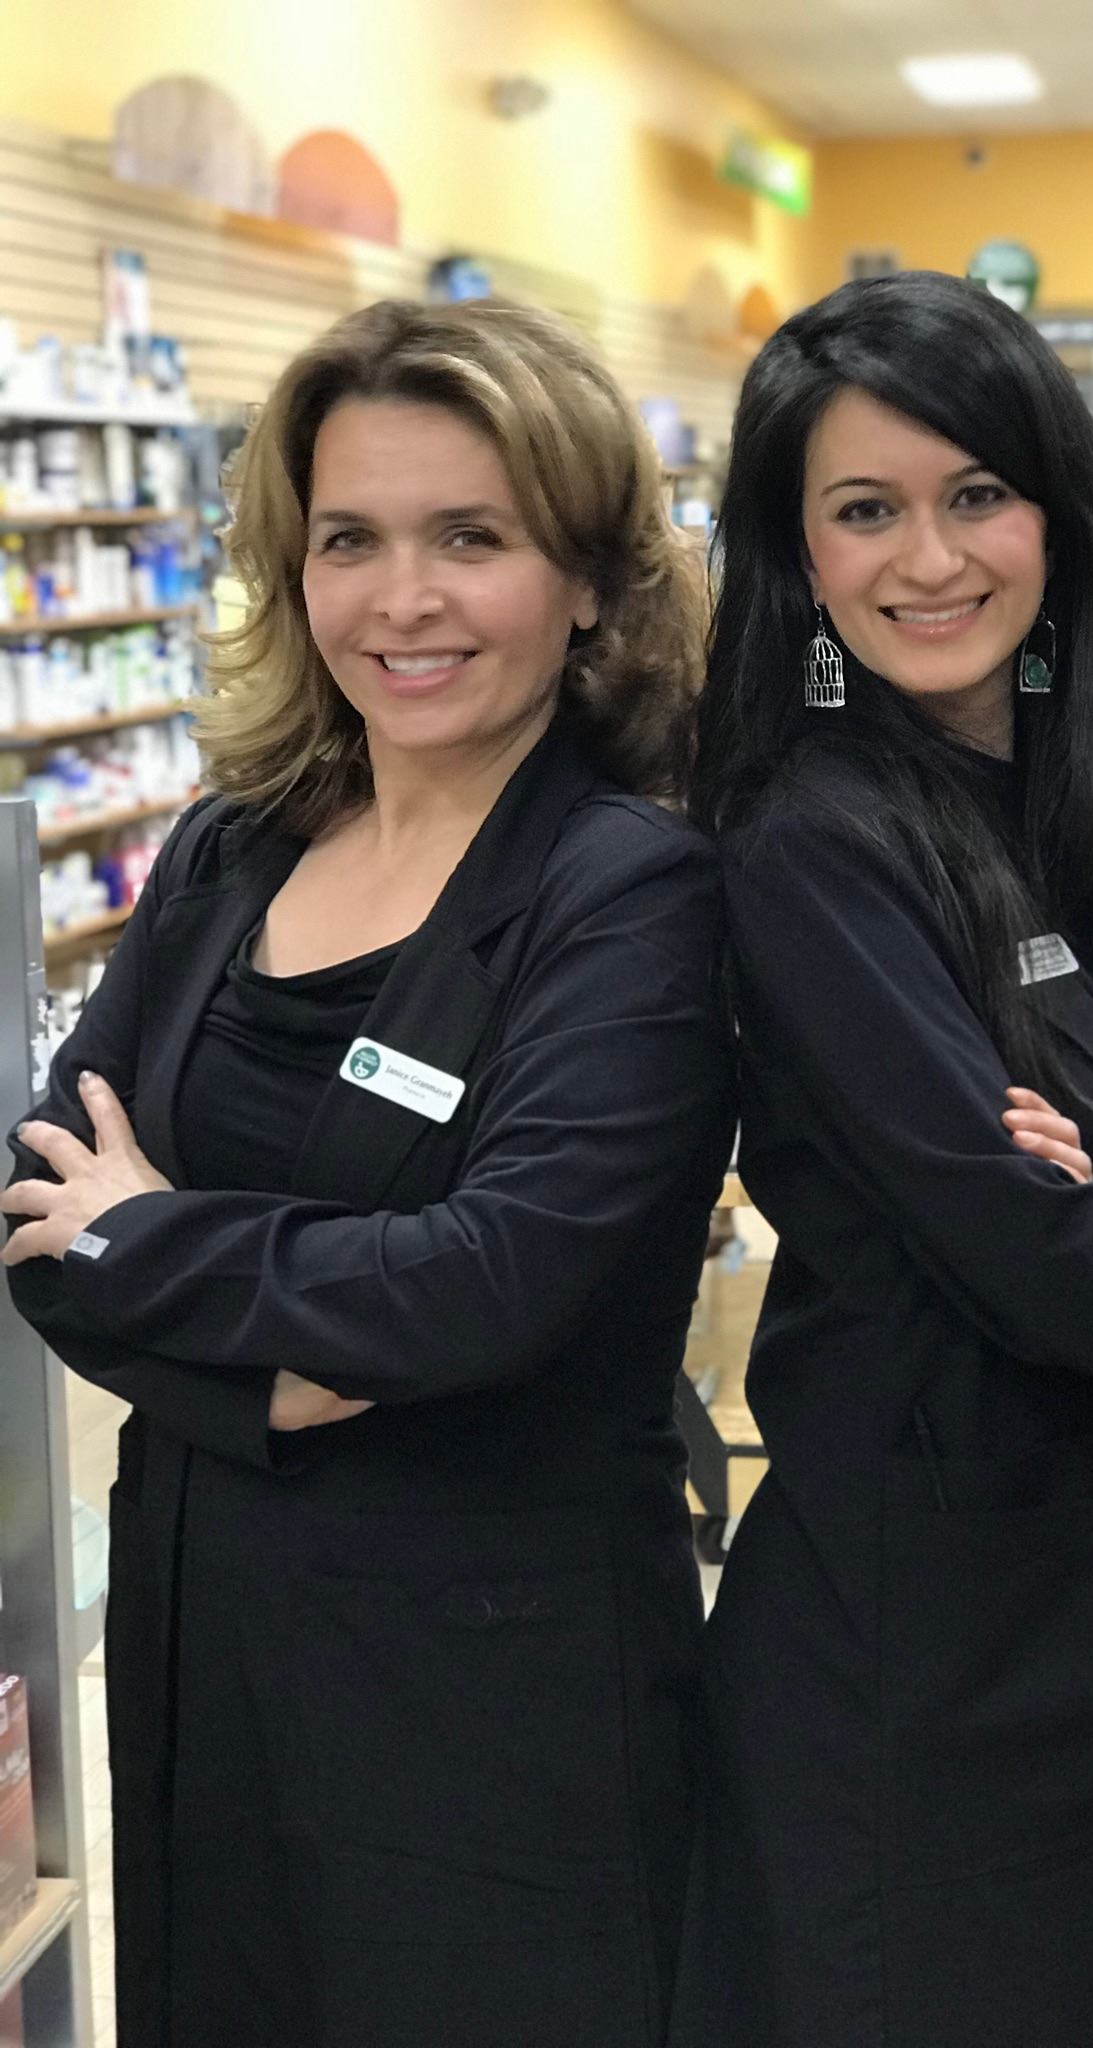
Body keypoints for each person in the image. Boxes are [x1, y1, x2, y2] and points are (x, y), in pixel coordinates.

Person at [2, 296, 733, 2048]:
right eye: (350, 540)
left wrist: (148, 1241)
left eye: (470, 538)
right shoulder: (230, 848)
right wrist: (279, 1368)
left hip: (494, 1708)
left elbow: (491, 1283)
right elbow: (35, 1210)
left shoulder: (631, 891)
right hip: (207, 1667)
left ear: (587, 581)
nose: (402, 599)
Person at [668, 271, 1093, 2048]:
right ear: (796, 554)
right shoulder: (812, 844)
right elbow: (1073, 1283)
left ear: (1056, 510)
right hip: (934, 1631)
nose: (931, 559)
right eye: (864, 510)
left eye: (977, 493)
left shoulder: (1068, 790)